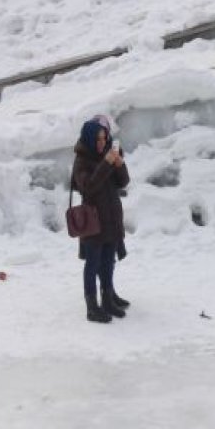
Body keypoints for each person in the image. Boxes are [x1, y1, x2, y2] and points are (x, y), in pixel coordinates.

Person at [71, 116, 131, 323]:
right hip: (93, 222)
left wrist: (119, 164)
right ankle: (92, 306)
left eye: (104, 139)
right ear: (88, 139)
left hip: (111, 218)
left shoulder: (107, 153)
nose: (102, 143)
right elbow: (88, 187)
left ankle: (107, 298)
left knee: (108, 262)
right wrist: (106, 164)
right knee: (93, 263)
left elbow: (123, 182)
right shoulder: (81, 161)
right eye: (97, 139)